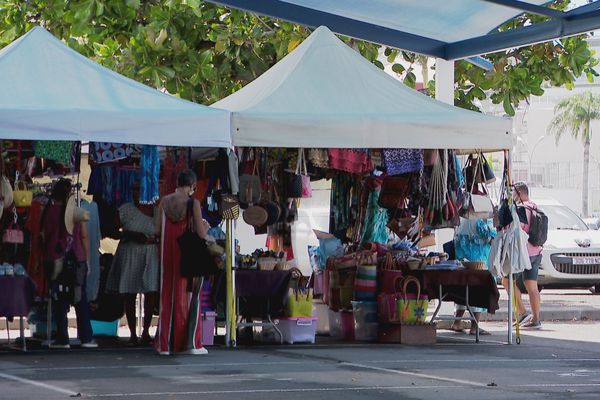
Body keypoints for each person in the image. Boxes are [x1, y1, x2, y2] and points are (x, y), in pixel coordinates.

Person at [154, 169, 210, 355]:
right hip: (185, 253)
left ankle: (164, 345)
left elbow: (157, 229)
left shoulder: (164, 201)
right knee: (187, 296)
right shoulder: (192, 202)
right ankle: (190, 344)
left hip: (166, 252)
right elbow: (201, 233)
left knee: (166, 296)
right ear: (192, 185)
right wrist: (206, 230)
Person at [42, 178, 97, 349]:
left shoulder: (48, 210)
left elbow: (44, 235)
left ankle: (63, 339)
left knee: (59, 299)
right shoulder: (77, 211)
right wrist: (88, 260)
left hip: (56, 258)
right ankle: (86, 338)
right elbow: (85, 236)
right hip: (77, 258)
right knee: (80, 299)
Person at [106, 184, 159, 346]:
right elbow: (112, 231)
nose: (137, 192)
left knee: (150, 293)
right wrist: (129, 234)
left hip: (150, 254)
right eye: (134, 189)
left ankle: (146, 332)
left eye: (140, 189)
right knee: (129, 294)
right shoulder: (125, 209)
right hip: (129, 253)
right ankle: (132, 334)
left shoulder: (157, 210)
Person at [502, 181, 543, 330]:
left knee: (506, 281)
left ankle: (522, 312)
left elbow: (513, 230)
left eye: (514, 192)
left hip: (522, 253)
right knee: (532, 286)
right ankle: (536, 319)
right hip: (536, 251)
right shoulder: (536, 208)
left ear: (519, 193)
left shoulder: (520, 209)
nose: (513, 195)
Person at [450, 217, 496, 335]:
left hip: (461, 260)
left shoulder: (461, 218)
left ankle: (457, 322)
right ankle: (475, 326)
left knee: (461, 290)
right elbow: (490, 236)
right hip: (478, 261)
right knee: (478, 292)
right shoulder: (480, 219)